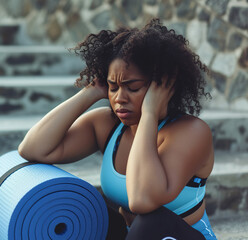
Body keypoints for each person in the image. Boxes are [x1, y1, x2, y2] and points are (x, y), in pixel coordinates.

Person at [18, 18, 217, 239]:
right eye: (113, 87)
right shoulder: (107, 125)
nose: (120, 98)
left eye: (132, 88)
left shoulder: (191, 132)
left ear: (163, 86)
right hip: (130, 234)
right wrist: (92, 91)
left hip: (176, 235)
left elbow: (142, 201)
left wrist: (149, 114)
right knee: (83, 206)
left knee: (150, 221)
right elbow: (33, 149)